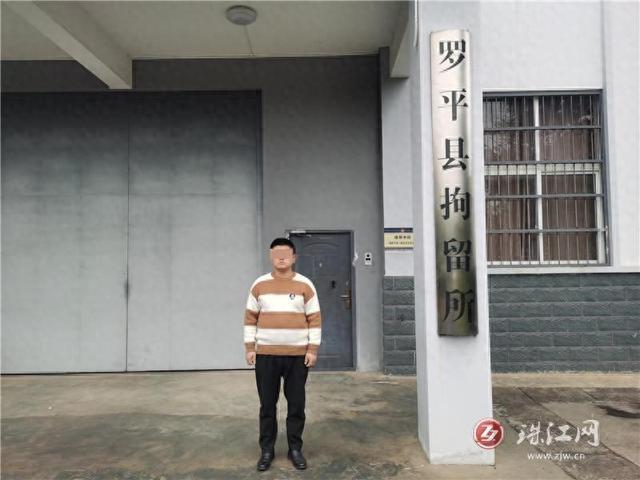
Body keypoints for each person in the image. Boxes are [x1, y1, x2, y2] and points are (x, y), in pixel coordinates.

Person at [243, 237, 322, 472]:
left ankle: (295, 449)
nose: (281, 258)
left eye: (285, 254)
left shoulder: (305, 285)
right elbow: (250, 318)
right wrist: (250, 347)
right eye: (276, 254)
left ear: (294, 257)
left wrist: (312, 349)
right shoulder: (259, 285)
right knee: (267, 405)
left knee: (296, 405)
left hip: (297, 356)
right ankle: (267, 450)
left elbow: (315, 319)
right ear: (271, 256)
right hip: (266, 355)